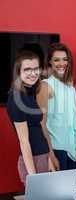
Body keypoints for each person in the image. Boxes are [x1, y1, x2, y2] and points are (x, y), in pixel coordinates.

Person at [36, 43, 76, 179]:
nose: (61, 63)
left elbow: (74, 119)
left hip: (73, 148)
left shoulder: (70, 88)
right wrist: (50, 154)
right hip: (57, 149)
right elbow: (41, 124)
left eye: (65, 59)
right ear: (50, 62)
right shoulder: (45, 85)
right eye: (56, 59)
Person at [6, 51, 52, 184]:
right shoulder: (16, 98)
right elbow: (24, 142)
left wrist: (49, 159)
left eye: (36, 68)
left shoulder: (30, 92)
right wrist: (33, 177)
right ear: (18, 72)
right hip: (33, 161)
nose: (33, 73)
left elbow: (38, 130)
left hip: (43, 156)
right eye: (27, 69)